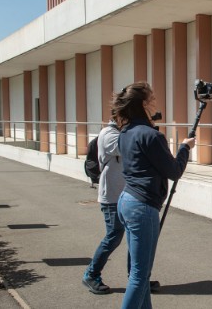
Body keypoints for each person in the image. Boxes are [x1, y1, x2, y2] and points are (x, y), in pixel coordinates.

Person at [115, 82, 195, 309]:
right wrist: (185, 148)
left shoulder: (126, 131)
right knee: (140, 276)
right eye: (153, 98)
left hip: (127, 201)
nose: (156, 102)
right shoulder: (151, 135)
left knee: (139, 273)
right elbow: (173, 171)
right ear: (143, 104)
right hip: (142, 207)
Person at [82, 118, 124, 294]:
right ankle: (91, 274)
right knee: (113, 236)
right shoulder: (108, 134)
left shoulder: (123, 132)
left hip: (127, 195)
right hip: (112, 197)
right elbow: (127, 147)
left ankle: (139, 277)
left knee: (135, 237)